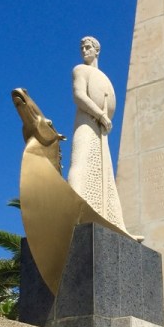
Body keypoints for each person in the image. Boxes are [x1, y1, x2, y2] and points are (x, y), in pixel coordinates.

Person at [67, 36, 126, 229]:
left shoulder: (103, 77)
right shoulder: (79, 70)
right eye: (82, 48)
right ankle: (71, 212)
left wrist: (104, 118)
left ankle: (116, 224)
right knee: (80, 164)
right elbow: (79, 96)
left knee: (106, 176)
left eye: (88, 47)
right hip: (87, 124)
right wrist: (100, 114)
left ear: (97, 50)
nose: (84, 51)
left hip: (101, 130)